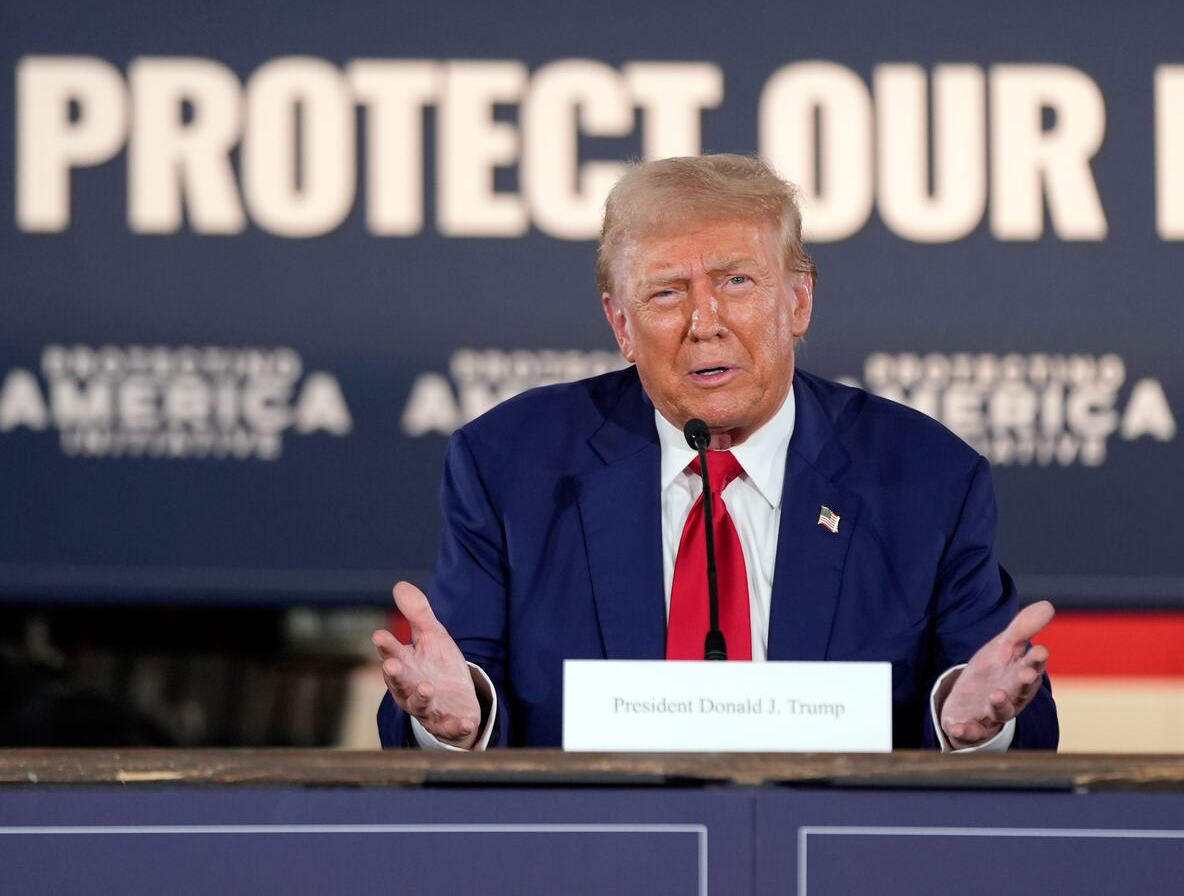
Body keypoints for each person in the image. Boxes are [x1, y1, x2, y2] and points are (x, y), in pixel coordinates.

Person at [374, 154, 1058, 751]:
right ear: (621, 325)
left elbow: (1008, 715)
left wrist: (968, 723)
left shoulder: (925, 477)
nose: (706, 324)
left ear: (797, 301)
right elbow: (460, 686)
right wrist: (460, 721)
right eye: (667, 293)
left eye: (736, 282)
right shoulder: (509, 466)